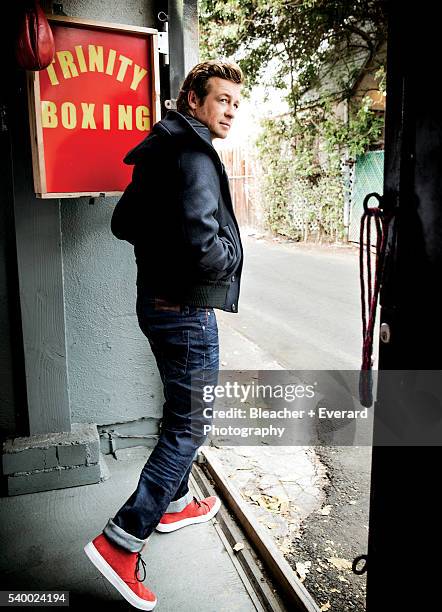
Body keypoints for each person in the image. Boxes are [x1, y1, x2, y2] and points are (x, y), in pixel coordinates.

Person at [84, 60, 244, 610]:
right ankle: (121, 542)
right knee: (189, 427)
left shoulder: (159, 149)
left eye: (236, 104)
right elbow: (202, 244)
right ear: (194, 99)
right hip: (187, 312)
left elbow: (124, 222)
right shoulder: (195, 156)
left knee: (180, 414)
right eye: (221, 99)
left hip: (154, 307)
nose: (230, 111)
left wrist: (168, 247)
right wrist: (223, 259)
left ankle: (174, 504)